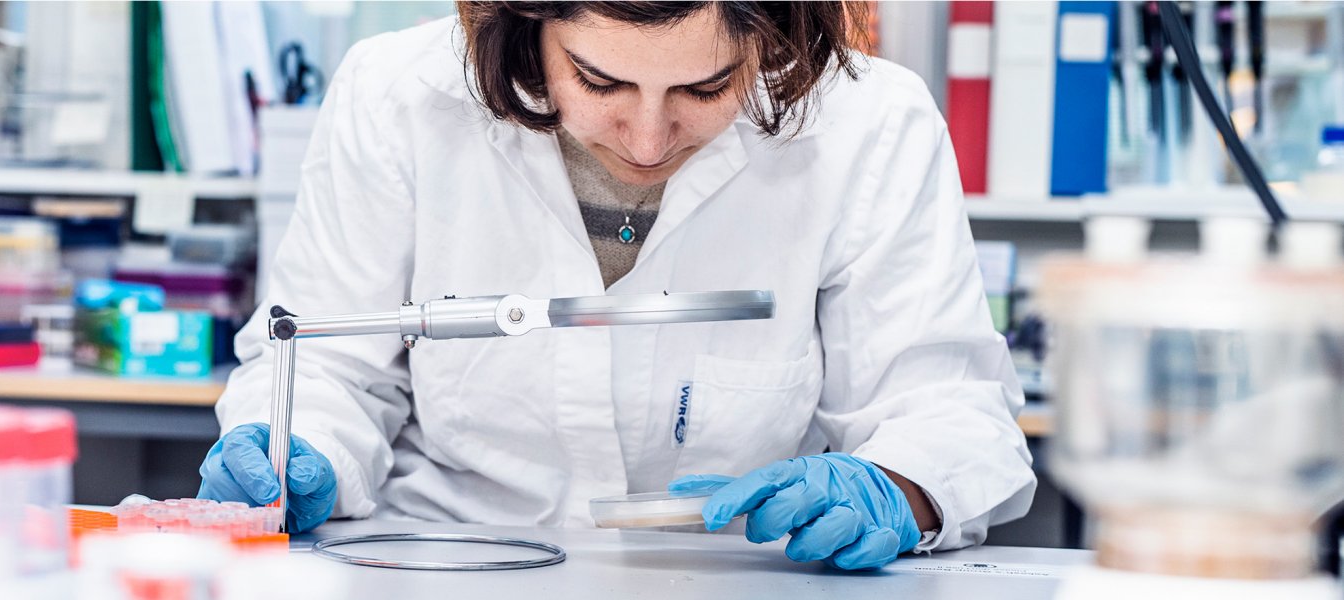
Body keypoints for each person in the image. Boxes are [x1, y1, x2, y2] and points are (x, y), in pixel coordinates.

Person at [199, 1, 1034, 570]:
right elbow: (327, 367)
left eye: (705, 88)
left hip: (743, 578)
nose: (645, 138)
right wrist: (294, 448)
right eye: (600, 82)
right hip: (443, 567)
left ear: (769, 31)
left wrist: (898, 487)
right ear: (523, 25)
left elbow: (946, 409)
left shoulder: (869, 123)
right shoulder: (398, 97)